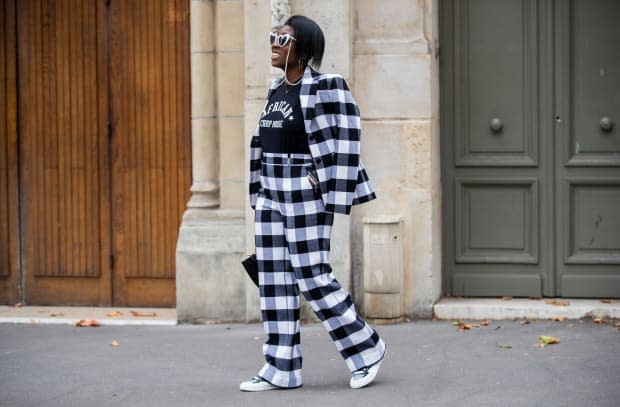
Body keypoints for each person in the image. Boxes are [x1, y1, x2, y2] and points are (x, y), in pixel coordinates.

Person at [241, 15, 386, 392]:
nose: (274, 44)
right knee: (273, 279)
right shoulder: (276, 90)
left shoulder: (327, 86)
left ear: (303, 49)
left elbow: (349, 135)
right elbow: (263, 142)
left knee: (311, 274)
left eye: (282, 39)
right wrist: (258, 193)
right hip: (271, 188)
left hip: (304, 188)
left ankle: (366, 348)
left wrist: (331, 191)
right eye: (272, 36)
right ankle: (281, 367)